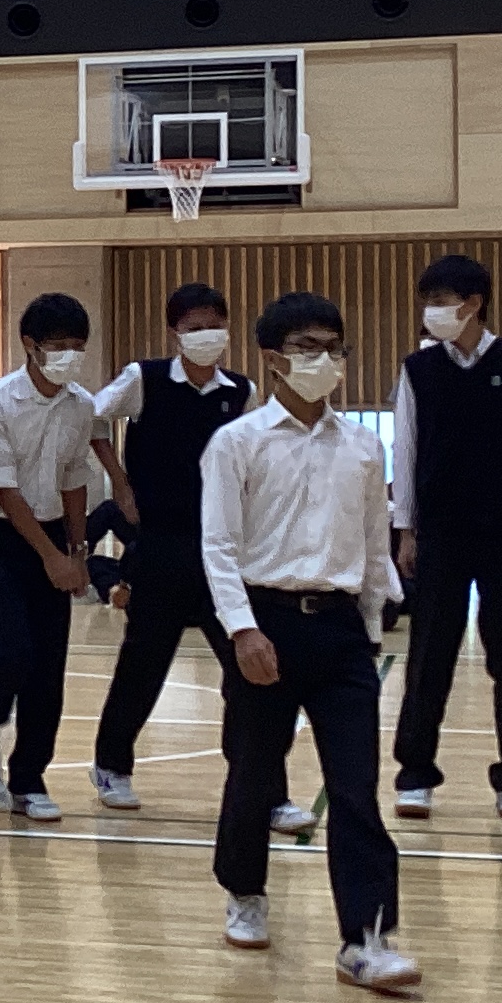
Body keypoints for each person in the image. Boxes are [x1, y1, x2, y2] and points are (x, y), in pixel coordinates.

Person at [203, 292, 419, 996]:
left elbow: (373, 543)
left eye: (333, 347)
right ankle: (244, 890)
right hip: (265, 622)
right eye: (307, 347)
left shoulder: (362, 446)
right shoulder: (237, 442)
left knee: (355, 786)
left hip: (341, 630)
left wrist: (373, 628)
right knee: (254, 773)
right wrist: (242, 629)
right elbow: (219, 545)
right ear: (273, 359)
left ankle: (366, 937)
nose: (323, 359)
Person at [86, 282, 312, 831]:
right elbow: (90, 419)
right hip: (161, 545)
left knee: (249, 670)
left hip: (223, 550)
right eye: (194, 327)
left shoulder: (241, 391)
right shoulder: (143, 379)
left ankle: (265, 790)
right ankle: (111, 765)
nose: (206, 334)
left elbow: (258, 454)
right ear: (175, 332)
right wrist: (120, 483)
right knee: (143, 665)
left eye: (215, 324)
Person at [388, 253, 502, 826]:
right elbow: (405, 450)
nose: (432, 312)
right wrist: (406, 530)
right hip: (440, 532)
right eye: (428, 302)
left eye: (442, 301)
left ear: (474, 304)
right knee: (428, 656)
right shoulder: (418, 369)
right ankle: (415, 775)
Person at [0, 296, 101, 820]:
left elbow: (74, 478)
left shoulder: (81, 404)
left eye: (77, 346)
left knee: (49, 667)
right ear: (30, 346)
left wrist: (76, 552)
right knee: (11, 651)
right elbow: (4, 488)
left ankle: (30, 778)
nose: (69, 355)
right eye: (58, 346)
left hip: (52, 531)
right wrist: (51, 557)